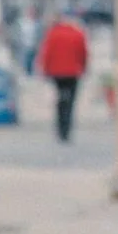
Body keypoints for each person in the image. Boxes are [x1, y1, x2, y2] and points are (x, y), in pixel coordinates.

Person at [36, 10, 88, 141]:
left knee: (60, 99)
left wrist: (45, 69)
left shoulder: (53, 34)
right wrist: (83, 67)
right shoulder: (78, 33)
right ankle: (67, 127)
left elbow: (47, 53)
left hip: (57, 72)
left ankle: (60, 127)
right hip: (73, 72)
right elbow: (83, 52)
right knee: (71, 101)